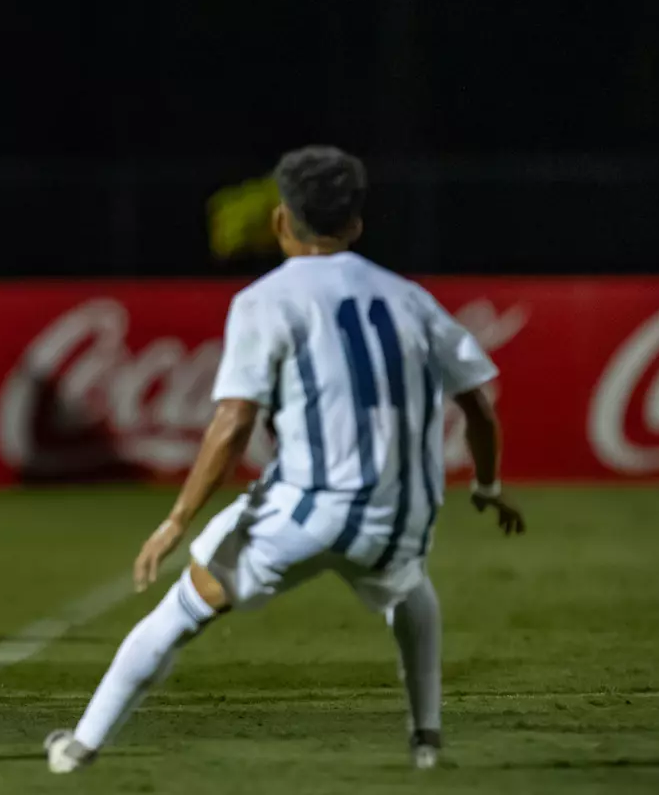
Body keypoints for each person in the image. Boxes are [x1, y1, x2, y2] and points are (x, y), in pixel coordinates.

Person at [45, 146, 527, 775]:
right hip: (395, 518)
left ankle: (79, 746)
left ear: (280, 220)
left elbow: (234, 420)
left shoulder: (264, 300)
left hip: (301, 513)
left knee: (179, 612)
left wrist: (177, 520)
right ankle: (427, 739)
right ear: (355, 224)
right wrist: (487, 487)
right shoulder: (410, 298)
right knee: (410, 589)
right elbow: (480, 409)